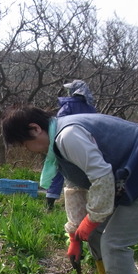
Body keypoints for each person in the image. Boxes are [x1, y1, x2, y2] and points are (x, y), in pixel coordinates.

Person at [2, 105, 138, 274]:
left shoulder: (68, 136)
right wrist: (75, 233)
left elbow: (102, 177)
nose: (28, 150)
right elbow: (74, 185)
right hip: (126, 175)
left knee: (115, 242)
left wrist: (92, 218)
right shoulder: (58, 142)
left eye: (25, 144)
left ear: (35, 129)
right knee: (95, 235)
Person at [45, 80, 97, 210]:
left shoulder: (68, 106)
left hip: (66, 142)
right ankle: (84, 205)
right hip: (85, 146)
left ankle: (49, 203)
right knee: (83, 174)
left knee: (59, 170)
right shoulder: (91, 109)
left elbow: (59, 123)